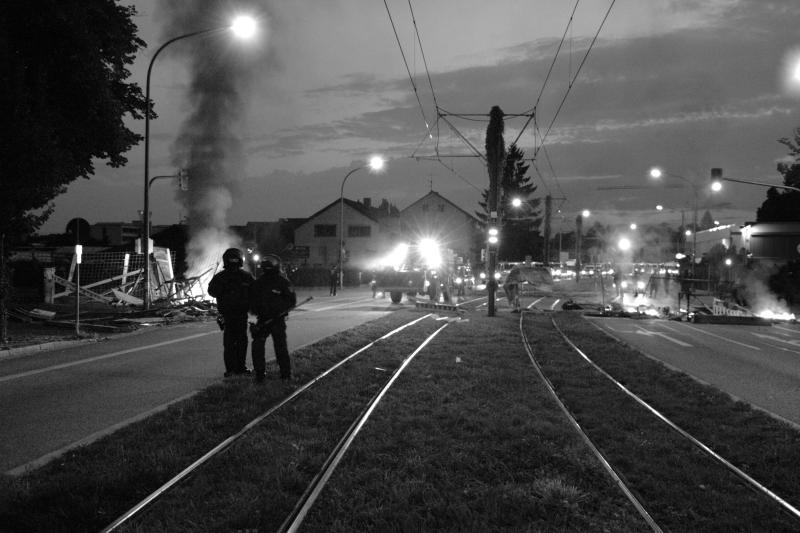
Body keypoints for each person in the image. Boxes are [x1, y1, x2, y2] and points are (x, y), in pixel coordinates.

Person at [249, 255, 297, 382]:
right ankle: (282, 375)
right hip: (266, 320)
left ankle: (267, 375)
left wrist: (278, 311)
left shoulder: (262, 282)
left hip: (275, 320)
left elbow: (291, 301)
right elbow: (292, 301)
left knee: (269, 346)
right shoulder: (279, 282)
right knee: (273, 347)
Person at [207, 248, 254, 377]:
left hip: (231, 315)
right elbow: (256, 292)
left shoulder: (221, 276)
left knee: (230, 343)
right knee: (240, 342)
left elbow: (211, 292)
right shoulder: (245, 276)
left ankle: (232, 370)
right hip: (236, 315)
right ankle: (239, 368)